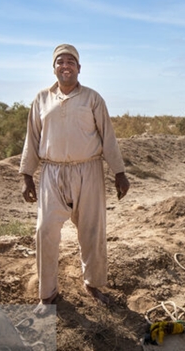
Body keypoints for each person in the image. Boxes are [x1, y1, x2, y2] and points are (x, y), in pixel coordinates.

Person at [19, 43, 130, 306]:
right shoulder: (41, 99)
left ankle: (92, 285)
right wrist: (26, 175)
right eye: (60, 62)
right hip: (51, 173)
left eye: (70, 62)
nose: (65, 66)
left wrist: (119, 172)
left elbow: (108, 137)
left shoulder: (93, 98)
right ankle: (48, 294)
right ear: (54, 68)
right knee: (45, 230)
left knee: (92, 230)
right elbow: (32, 138)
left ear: (79, 68)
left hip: (88, 170)